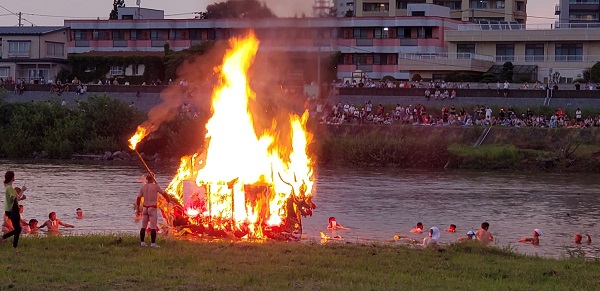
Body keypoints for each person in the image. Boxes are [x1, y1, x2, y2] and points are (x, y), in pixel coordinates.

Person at [135, 173, 171, 248]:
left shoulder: (143, 187)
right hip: (152, 208)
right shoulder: (156, 186)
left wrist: (138, 209)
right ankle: (153, 244)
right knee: (153, 227)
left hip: (145, 208)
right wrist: (168, 200)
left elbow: (138, 199)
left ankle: (142, 242)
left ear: (147, 179)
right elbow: (163, 193)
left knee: (143, 226)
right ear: (153, 178)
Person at [1, 171, 27, 248]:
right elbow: (15, 200)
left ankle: (13, 244)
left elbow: (14, 200)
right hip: (12, 210)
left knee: (18, 229)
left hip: (10, 210)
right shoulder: (10, 189)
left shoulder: (8, 187)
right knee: (18, 229)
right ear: (12, 178)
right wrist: (22, 190)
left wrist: (21, 198)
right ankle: (10, 243)